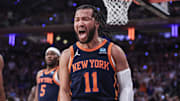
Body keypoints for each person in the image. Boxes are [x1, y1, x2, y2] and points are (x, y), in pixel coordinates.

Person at [59, 4, 133, 101]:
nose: (80, 23)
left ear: (96, 23)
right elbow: (64, 91)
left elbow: (126, 87)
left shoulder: (114, 51)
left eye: (85, 19)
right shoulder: (67, 54)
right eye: (77, 20)